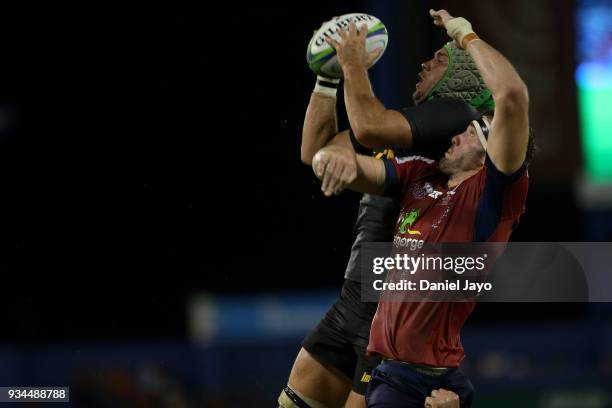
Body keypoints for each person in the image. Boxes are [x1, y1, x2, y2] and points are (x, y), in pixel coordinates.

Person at [311, 9, 532, 408]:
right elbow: (331, 155)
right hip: (385, 361)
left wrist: (465, 33)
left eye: (468, 132)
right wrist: (335, 158)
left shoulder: (491, 198)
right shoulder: (421, 174)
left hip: (421, 372)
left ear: (488, 151)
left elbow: (512, 97)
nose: (454, 137)